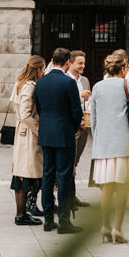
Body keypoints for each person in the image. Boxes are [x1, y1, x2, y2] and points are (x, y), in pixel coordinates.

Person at [90, 50, 129, 243]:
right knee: (122, 187)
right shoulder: (127, 83)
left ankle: (105, 225)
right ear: (123, 69)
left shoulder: (97, 87)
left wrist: (98, 140)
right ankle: (118, 229)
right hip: (124, 144)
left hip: (104, 145)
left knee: (106, 187)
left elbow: (94, 118)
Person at [34, 47, 84, 234]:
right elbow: (76, 111)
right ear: (68, 62)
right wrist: (71, 128)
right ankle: (64, 222)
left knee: (47, 175)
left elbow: (39, 108)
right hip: (64, 134)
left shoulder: (41, 82)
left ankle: (48, 219)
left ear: (52, 61)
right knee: (63, 176)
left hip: (46, 133)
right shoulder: (68, 83)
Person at [10, 55, 46, 226]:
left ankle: (22, 213)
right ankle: (21, 214)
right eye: (43, 68)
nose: (44, 71)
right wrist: (39, 130)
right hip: (29, 134)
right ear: (38, 69)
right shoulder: (29, 86)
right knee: (26, 174)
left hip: (22, 132)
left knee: (23, 174)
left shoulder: (19, 83)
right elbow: (25, 113)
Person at [67, 50, 91, 209]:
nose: (83, 66)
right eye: (79, 63)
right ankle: (67, 199)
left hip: (83, 127)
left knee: (75, 163)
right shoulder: (65, 80)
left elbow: (88, 102)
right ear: (70, 63)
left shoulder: (85, 80)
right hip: (70, 127)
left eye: (84, 63)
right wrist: (79, 95)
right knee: (68, 165)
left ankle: (72, 195)